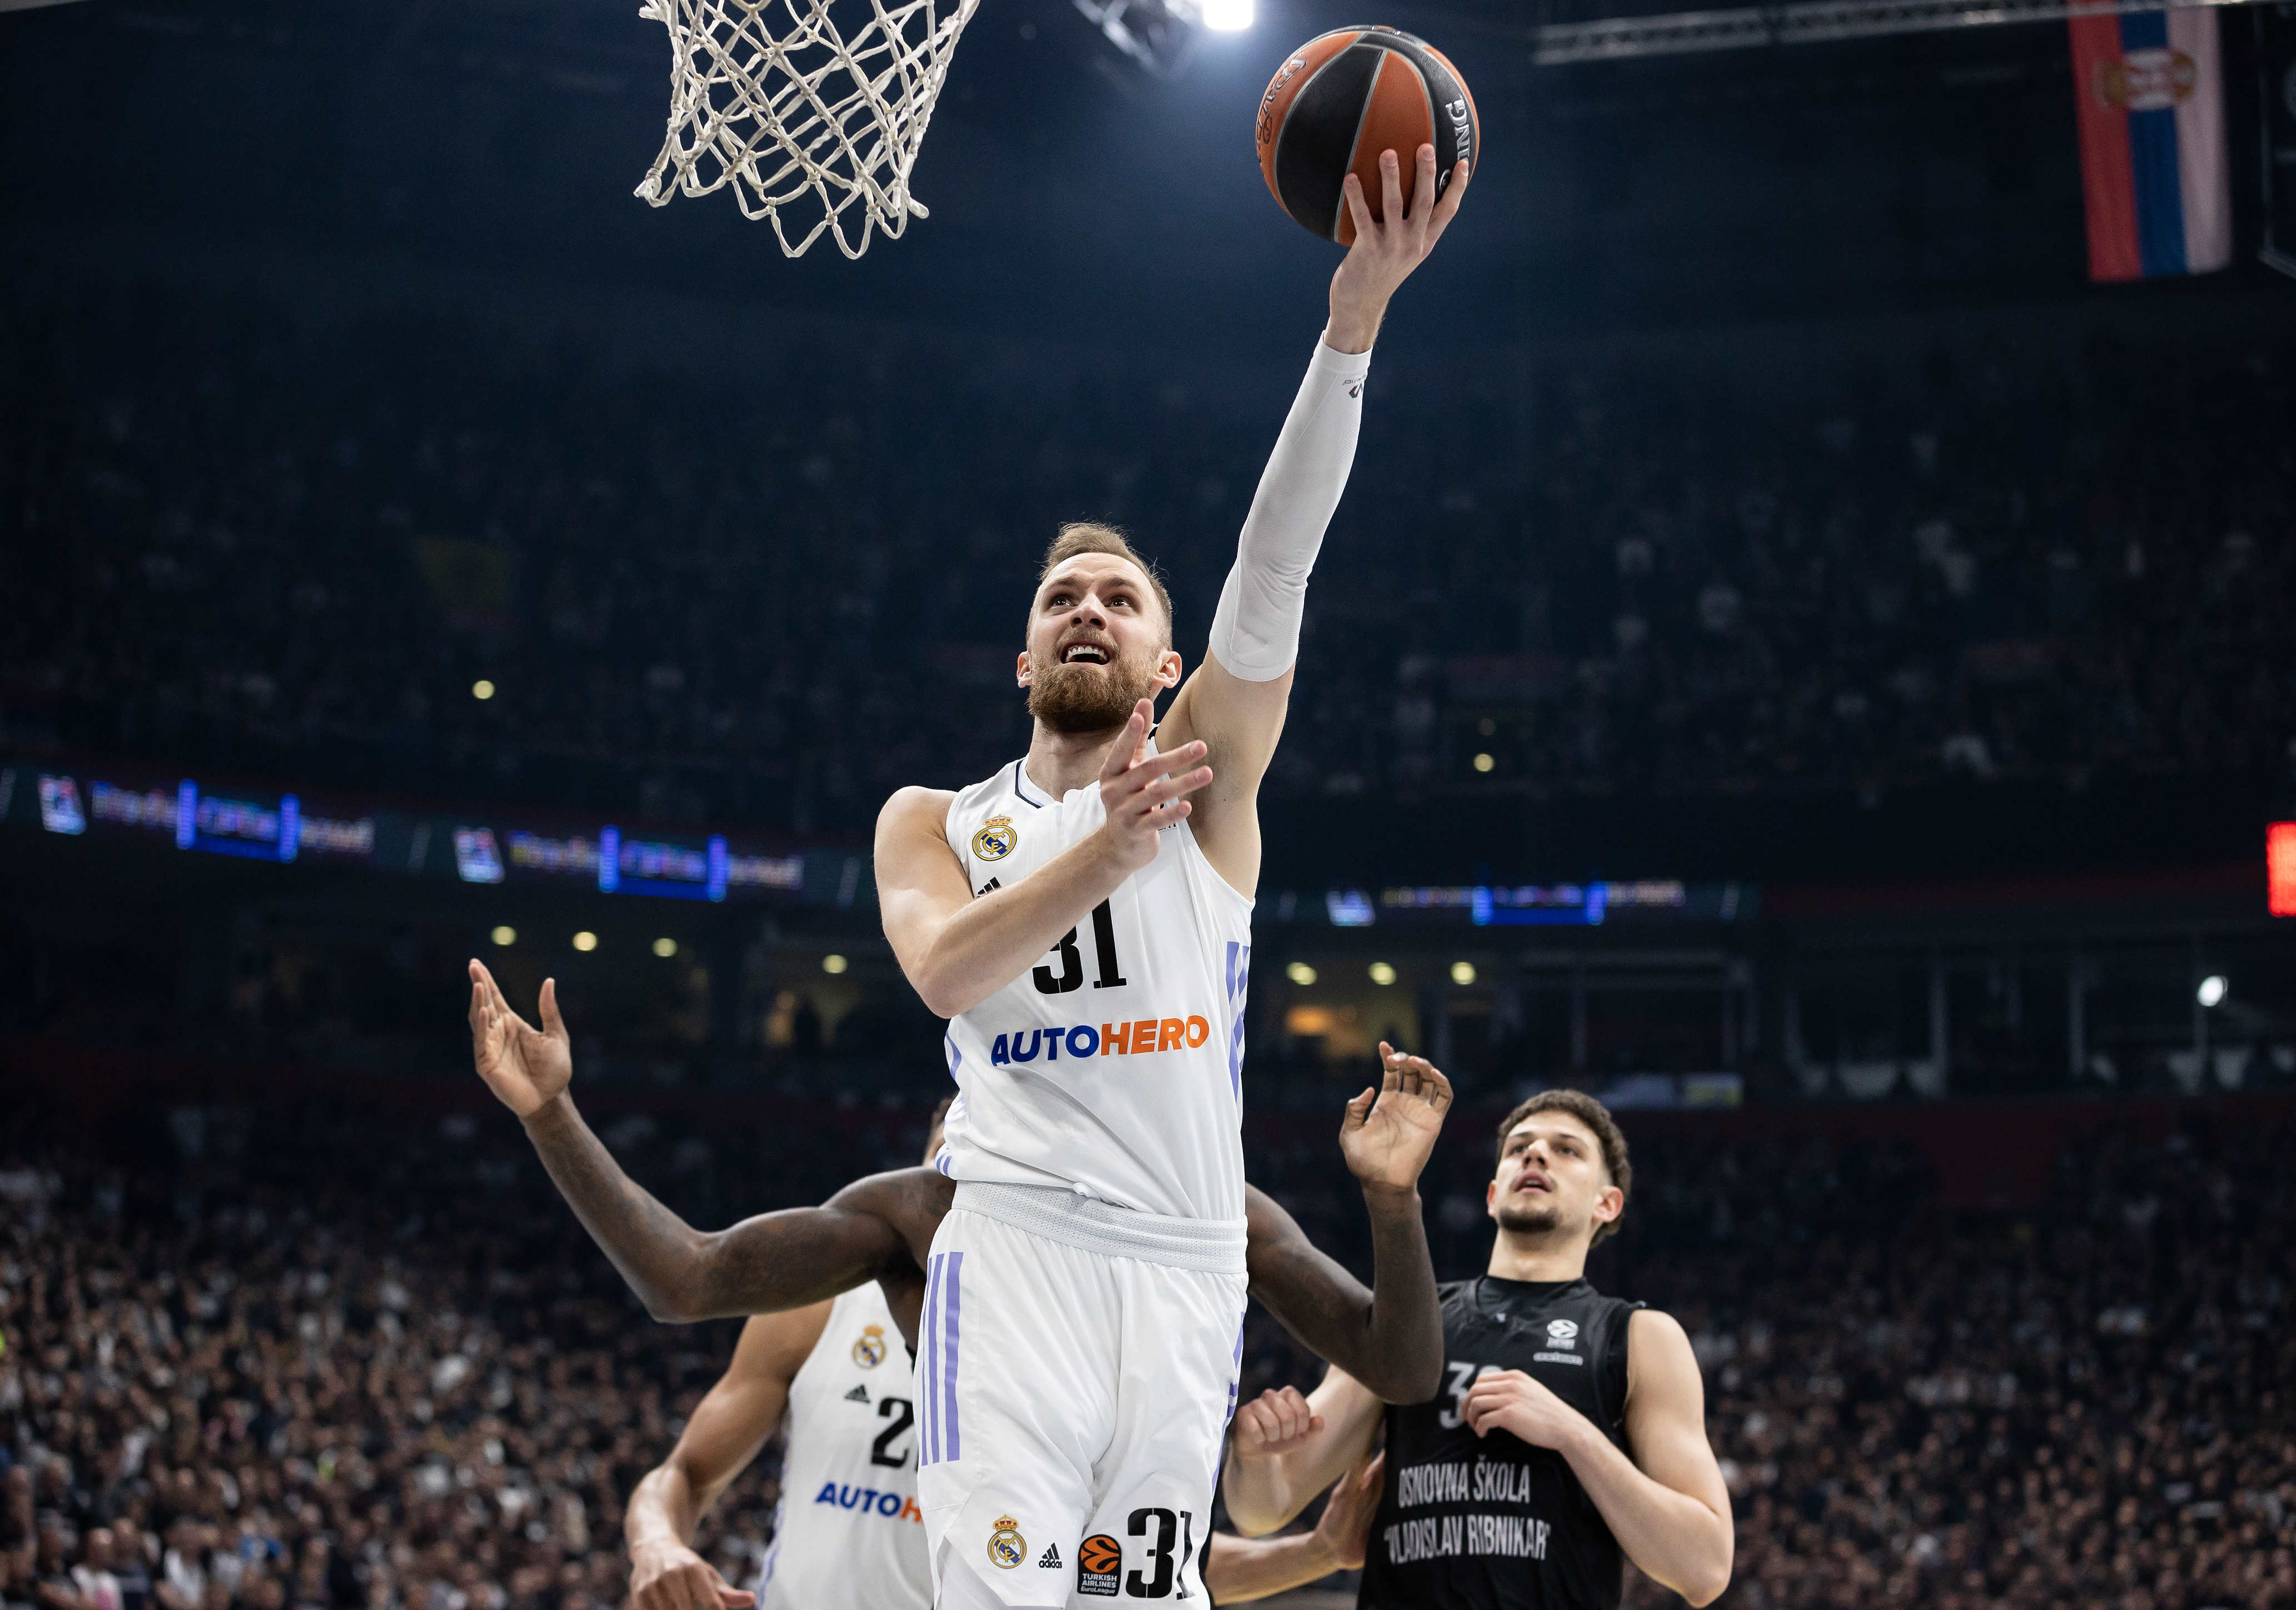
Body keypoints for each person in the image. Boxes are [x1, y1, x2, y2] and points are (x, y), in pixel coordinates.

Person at [869, 142, 1471, 1607]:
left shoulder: (1207, 777)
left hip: (1189, 1266)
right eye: (1059, 596)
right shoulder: (932, 815)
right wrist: (1104, 853)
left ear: (1161, 657)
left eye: (1118, 597)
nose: (1087, 606)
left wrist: (1350, 328)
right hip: (1013, 1251)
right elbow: (946, 971)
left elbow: (1274, 573)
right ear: (1023, 658)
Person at [467, 964, 1454, 1599]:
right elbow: (683, 1277)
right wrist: (551, 1114)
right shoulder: (900, 1225)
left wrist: (1391, 1196)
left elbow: (1396, 1366)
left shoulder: (1206, 1210)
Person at [1220, 1091, 1735, 1609]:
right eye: (1519, 1148)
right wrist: (1256, 1456)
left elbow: (1705, 1568)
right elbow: (1262, 1511)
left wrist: (1573, 1432)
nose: (1535, 1155)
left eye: (1567, 1150)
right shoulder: (1410, 1321)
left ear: (1608, 1202)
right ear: (1492, 1195)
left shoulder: (1640, 1334)